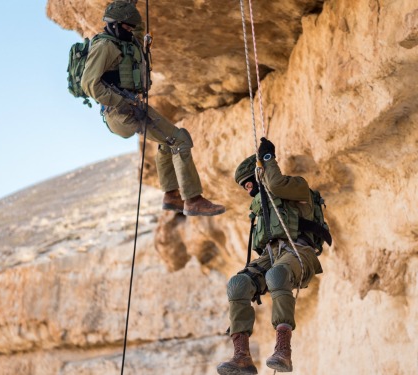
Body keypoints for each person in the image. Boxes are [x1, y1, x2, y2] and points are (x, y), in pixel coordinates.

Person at [81, 1, 225, 216]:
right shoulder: (105, 46)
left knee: (167, 143)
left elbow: (137, 27)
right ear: (115, 24)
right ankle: (193, 200)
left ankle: (171, 196)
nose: (131, 30)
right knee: (180, 139)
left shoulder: (127, 40)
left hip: (129, 107)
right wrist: (121, 102)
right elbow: (89, 84)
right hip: (121, 111)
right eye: (127, 27)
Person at [217, 138, 324, 374]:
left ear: (260, 175)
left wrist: (267, 159)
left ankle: (283, 350)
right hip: (272, 254)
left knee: (276, 276)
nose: (248, 189)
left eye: (249, 182)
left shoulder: (297, 187)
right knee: (237, 285)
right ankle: (241, 356)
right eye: (244, 186)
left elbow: (275, 185)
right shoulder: (260, 208)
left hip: (299, 252)